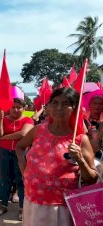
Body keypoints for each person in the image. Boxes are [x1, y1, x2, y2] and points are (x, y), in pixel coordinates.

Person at [16, 87, 98, 226]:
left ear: (74, 108)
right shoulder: (38, 130)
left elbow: (92, 178)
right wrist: (23, 168)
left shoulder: (79, 139)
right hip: (32, 201)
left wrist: (80, 160)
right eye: (55, 102)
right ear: (48, 106)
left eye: (65, 103)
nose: (59, 107)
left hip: (61, 208)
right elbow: (19, 146)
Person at [0, 98, 34, 220]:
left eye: (19, 107)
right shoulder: (4, 119)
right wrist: (0, 118)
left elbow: (23, 134)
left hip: (21, 153)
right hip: (4, 152)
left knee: (21, 181)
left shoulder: (28, 120)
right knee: (5, 179)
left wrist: (4, 138)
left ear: (24, 109)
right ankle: (4, 205)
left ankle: (22, 208)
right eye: (13, 107)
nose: (15, 109)